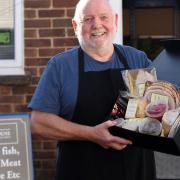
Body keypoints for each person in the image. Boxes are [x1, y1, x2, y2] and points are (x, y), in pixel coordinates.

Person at [29, 0, 156, 179]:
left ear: (115, 21)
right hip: (82, 171)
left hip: (137, 171)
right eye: (88, 19)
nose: (97, 24)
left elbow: (158, 108)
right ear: (75, 26)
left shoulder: (137, 59)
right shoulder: (61, 67)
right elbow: (38, 123)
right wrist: (92, 134)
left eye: (104, 17)